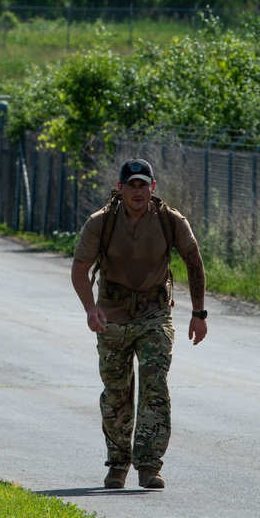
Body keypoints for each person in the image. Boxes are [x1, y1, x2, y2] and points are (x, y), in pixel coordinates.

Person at [70, 158, 208, 490]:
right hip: (112, 317)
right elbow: (79, 268)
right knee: (116, 392)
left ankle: (149, 465)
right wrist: (90, 309)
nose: (137, 191)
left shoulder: (169, 221)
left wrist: (199, 314)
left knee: (154, 384)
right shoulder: (100, 223)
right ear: (119, 189)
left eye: (143, 185)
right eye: (131, 185)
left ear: (153, 187)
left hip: (154, 314)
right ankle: (118, 464)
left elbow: (194, 261)